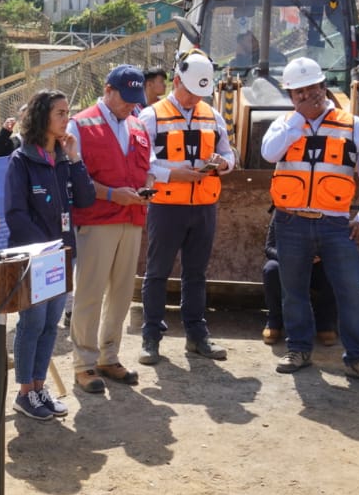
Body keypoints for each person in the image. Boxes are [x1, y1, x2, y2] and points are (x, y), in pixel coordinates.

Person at [261, 57, 359, 389]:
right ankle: (298, 349)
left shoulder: (353, 126)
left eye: (314, 88)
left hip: (335, 225)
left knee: (350, 291)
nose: (309, 96)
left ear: (324, 87)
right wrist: (297, 121)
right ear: (291, 96)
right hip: (290, 223)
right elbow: (269, 153)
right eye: (300, 92)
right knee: (293, 292)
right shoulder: (284, 125)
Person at [137, 51, 235, 363]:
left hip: (204, 206)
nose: (195, 99)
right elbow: (142, 163)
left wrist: (223, 163)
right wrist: (172, 174)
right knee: (157, 273)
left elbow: (229, 155)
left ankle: (197, 335)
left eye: (201, 94)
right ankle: (151, 337)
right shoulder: (151, 116)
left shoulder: (212, 115)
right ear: (176, 81)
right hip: (166, 207)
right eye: (191, 92)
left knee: (196, 274)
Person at [5, 90, 95, 421]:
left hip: (62, 257)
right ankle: (24, 392)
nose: (66, 118)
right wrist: (44, 250)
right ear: (43, 117)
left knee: (51, 325)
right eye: (60, 112)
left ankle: (40, 389)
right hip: (35, 259)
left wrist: (75, 158)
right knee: (32, 323)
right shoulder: (22, 160)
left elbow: (85, 200)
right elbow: (15, 214)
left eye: (67, 112)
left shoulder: (63, 158)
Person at [67, 65, 152, 393]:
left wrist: (147, 185)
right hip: (97, 220)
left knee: (120, 292)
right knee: (89, 292)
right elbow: (77, 177)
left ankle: (109, 355)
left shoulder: (137, 125)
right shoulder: (81, 122)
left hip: (131, 220)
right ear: (107, 90)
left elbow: (148, 166)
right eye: (125, 98)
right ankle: (84, 364)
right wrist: (114, 194)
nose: (130, 105)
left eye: (135, 99)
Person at [262, 209, 338, 345]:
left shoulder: (327, 210)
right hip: (289, 264)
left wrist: (320, 255)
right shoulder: (283, 210)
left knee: (333, 271)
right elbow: (269, 247)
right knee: (271, 269)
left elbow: (336, 244)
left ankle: (325, 323)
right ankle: (275, 321)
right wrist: (290, 257)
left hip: (317, 264)